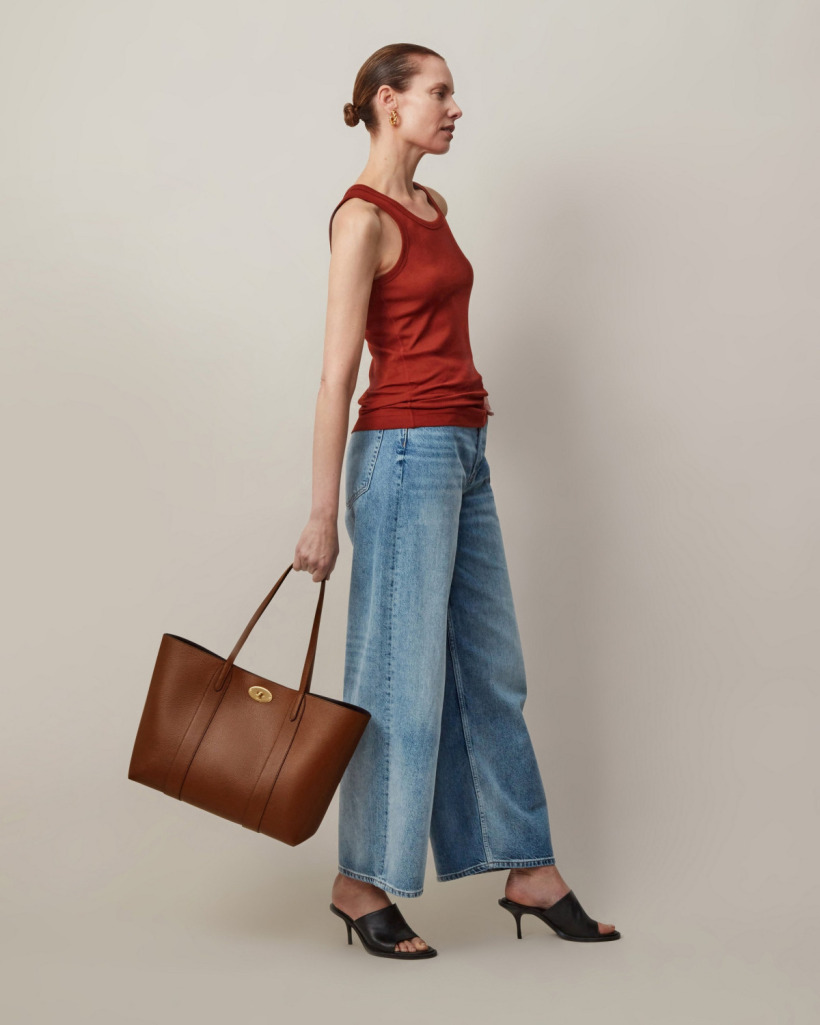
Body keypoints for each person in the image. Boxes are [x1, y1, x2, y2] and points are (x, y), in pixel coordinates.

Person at [293, 43, 619, 960]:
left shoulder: (435, 206)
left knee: (490, 669)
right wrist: (323, 511)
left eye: (454, 94)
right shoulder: (361, 219)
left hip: (463, 450)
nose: (455, 109)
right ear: (389, 104)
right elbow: (334, 374)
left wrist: (466, 440)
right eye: (439, 94)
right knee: (401, 680)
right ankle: (362, 880)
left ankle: (528, 865)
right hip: (400, 455)